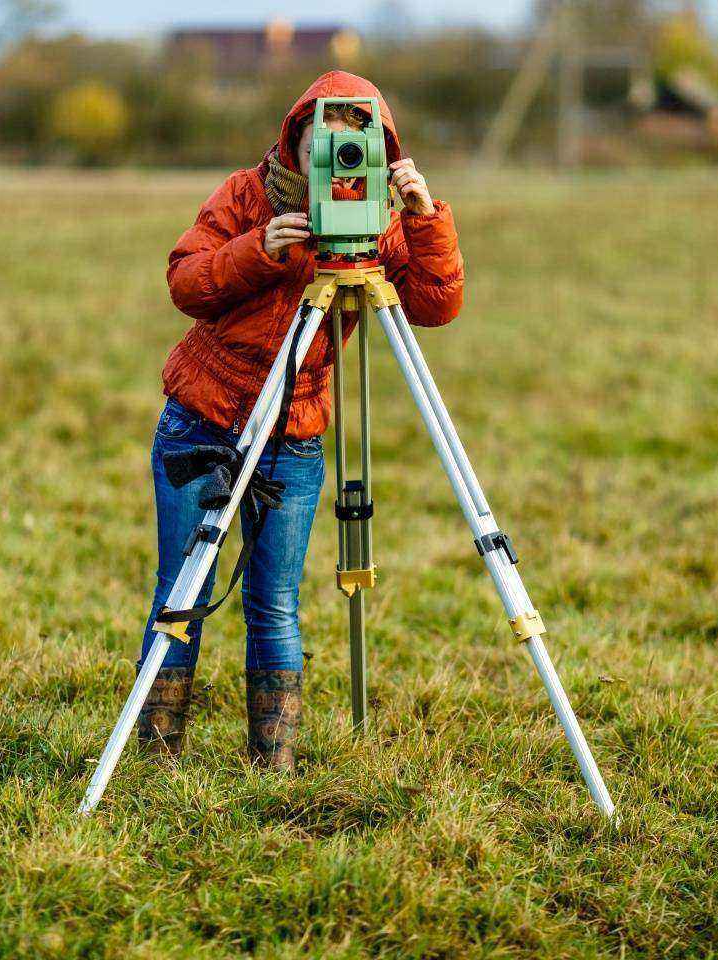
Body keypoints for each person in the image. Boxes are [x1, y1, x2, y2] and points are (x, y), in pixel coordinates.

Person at [137, 71, 465, 771]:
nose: (337, 161)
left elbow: (437, 305)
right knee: (181, 591)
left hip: (292, 432)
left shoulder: (382, 222)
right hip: (203, 419)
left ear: (380, 150)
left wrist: (423, 216)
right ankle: (155, 756)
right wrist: (259, 250)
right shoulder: (247, 195)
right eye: (323, 144)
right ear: (296, 140)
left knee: (276, 603)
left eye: (353, 147)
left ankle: (273, 762)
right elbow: (185, 282)